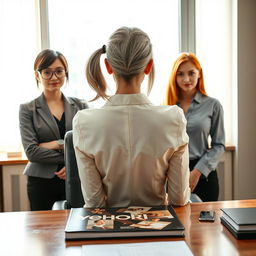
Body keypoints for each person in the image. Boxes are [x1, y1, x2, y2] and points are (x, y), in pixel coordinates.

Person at [73, 27, 190, 208]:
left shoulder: (84, 122)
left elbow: (95, 204)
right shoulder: (173, 118)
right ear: (149, 66)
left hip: (108, 233)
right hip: (161, 232)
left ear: (108, 66)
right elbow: (179, 200)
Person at [19, 49, 88, 210]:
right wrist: (64, 147)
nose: (54, 77)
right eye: (47, 72)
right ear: (38, 75)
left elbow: (88, 145)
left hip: (75, 179)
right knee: (44, 233)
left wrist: (53, 146)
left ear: (66, 73)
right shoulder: (27, 109)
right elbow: (32, 152)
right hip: (41, 183)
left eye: (59, 71)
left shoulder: (81, 106)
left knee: (74, 228)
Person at [164, 52, 225, 202]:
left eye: (191, 73)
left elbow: (219, 145)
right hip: (173, 173)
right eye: (180, 74)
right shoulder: (166, 108)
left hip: (203, 175)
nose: (186, 79)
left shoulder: (213, 105)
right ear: (174, 77)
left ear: (199, 74)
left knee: (206, 223)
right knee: (178, 222)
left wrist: (197, 172)